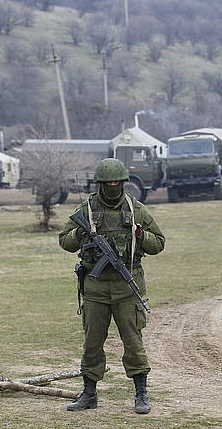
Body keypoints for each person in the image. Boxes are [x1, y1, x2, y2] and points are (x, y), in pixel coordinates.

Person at [59, 158, 165, 414]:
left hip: (127, 289)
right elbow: (65, 240)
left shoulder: (136, 209)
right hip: (95, 288)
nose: (112, 186)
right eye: (107, 183)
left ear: (123, 183)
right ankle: (89, 393)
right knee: (92, 343)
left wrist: (140, 234)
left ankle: (141, 393)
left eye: (116, 182)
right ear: (100, 184)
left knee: (133, 342)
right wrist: (80, 235)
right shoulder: (86, 209)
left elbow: (159, 243)